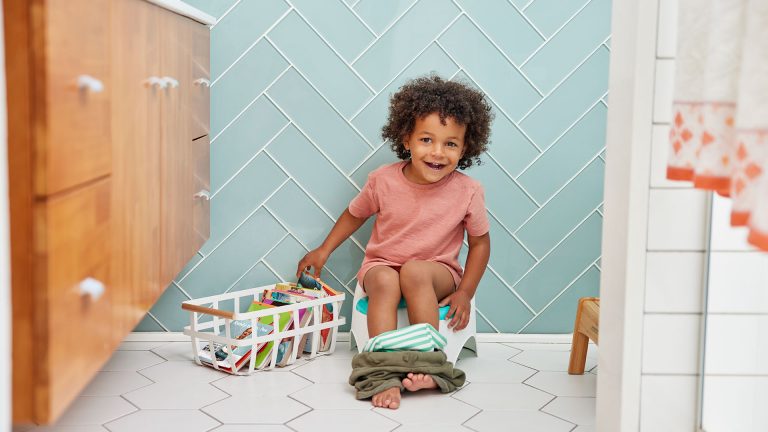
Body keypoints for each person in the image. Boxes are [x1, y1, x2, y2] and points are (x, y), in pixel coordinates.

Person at [296, 75, 492, 409]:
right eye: (427, 139)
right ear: (407, 138)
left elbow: (480, 244)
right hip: (382, 264)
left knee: (415, 271)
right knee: (386, 278)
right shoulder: (383, 180)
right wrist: (323, 250)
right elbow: (354, 215)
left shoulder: (467, 190)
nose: (437, 153)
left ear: (466, 147)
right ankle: (383, 375)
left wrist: (465, 292)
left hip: (438, 270)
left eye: (450, 144)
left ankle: (428, 364)